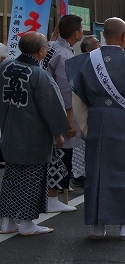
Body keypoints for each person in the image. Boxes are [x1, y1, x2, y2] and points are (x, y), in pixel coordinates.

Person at [66, 18, 125, 240]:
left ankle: (98, 227)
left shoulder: (85, 62)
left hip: (97, 120)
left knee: (97, 173)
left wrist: (88, 125)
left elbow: (78, 102)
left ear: (103, 35)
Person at [0, 32, 71, 236]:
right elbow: (52, 107)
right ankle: (27, 223)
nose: (47, 49)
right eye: (46, 47)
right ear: (41, 51)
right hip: (33, 136)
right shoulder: (39, 75)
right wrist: (58, 133)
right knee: (32, 178)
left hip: (9, 132)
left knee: (11, 178)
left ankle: (7, 222)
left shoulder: (4, 67)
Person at [44, 15, 84, 210]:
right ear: (77, 33)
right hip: (59, 109)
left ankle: (50, 197)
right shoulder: (64, 54)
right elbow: (65, 88)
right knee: (61, 152)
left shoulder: (50, 47)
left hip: (45, 107)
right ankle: (52, 198)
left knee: (53, 153)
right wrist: (69, 118)